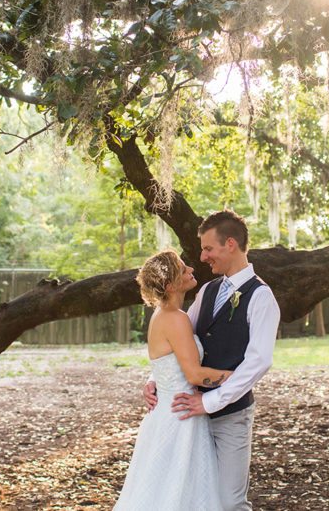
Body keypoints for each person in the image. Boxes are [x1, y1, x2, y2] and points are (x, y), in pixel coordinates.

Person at [144, 210, 282, 511]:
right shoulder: (206, 291)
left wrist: (210, 402)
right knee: (196, 496)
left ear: (229, 244)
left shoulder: (261, 298)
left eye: (208, 249)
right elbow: (177, 341)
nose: (203, 257)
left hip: (230, 416)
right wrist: (155, 380)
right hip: (190, 418)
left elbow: (259, 362)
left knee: (230, 502)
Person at [114, 250, 232, 511]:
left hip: (167, 412)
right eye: (182, 269)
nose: (191, 269)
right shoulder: (176, 318)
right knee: (176, 494)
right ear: (170, 285)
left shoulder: (163, 314)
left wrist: (152, 380)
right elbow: (194, 375)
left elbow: (166, 364)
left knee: (165, 490)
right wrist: (243, 376)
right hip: (180, 417)